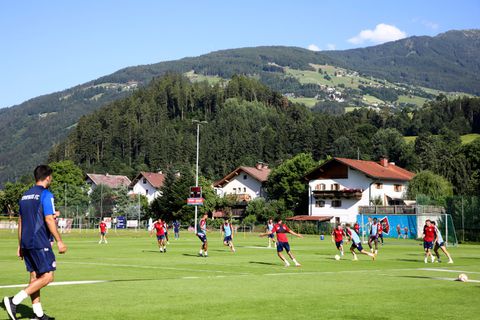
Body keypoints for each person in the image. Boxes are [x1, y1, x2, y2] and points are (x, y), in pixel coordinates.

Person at [3, 165, 67, 320]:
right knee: (48, 277)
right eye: (51, 177)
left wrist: (20, 244)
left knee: (35, 277)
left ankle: (37, 314)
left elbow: (21, 220)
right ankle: (14, 300)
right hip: (39, 241)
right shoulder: (46, 194)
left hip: (26, 241)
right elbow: (48, 218)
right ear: (47, 177)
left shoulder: (25, 195)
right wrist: (59, 241)